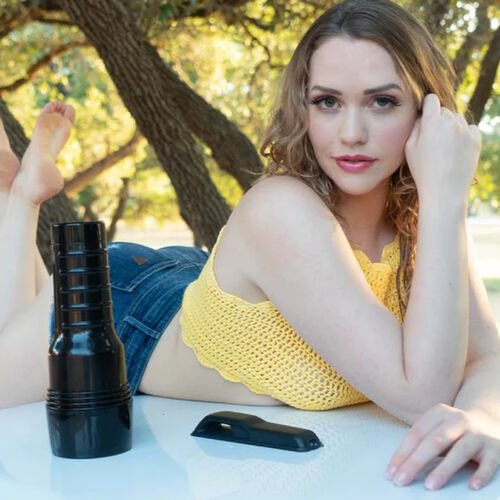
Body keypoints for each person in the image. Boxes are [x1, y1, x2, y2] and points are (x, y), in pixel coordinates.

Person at [0, 0, 499, 491]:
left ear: (429, 115)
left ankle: (22, 196)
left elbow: (485, 356)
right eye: (328, 102)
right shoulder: (282, 210)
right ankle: (20, 196)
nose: (352, 134)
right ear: (302, 108)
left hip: (196, 282)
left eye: (382, 102)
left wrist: (482, 415)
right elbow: (423, 395)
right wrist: (447, 194)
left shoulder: (418, 220)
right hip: (128, 311)